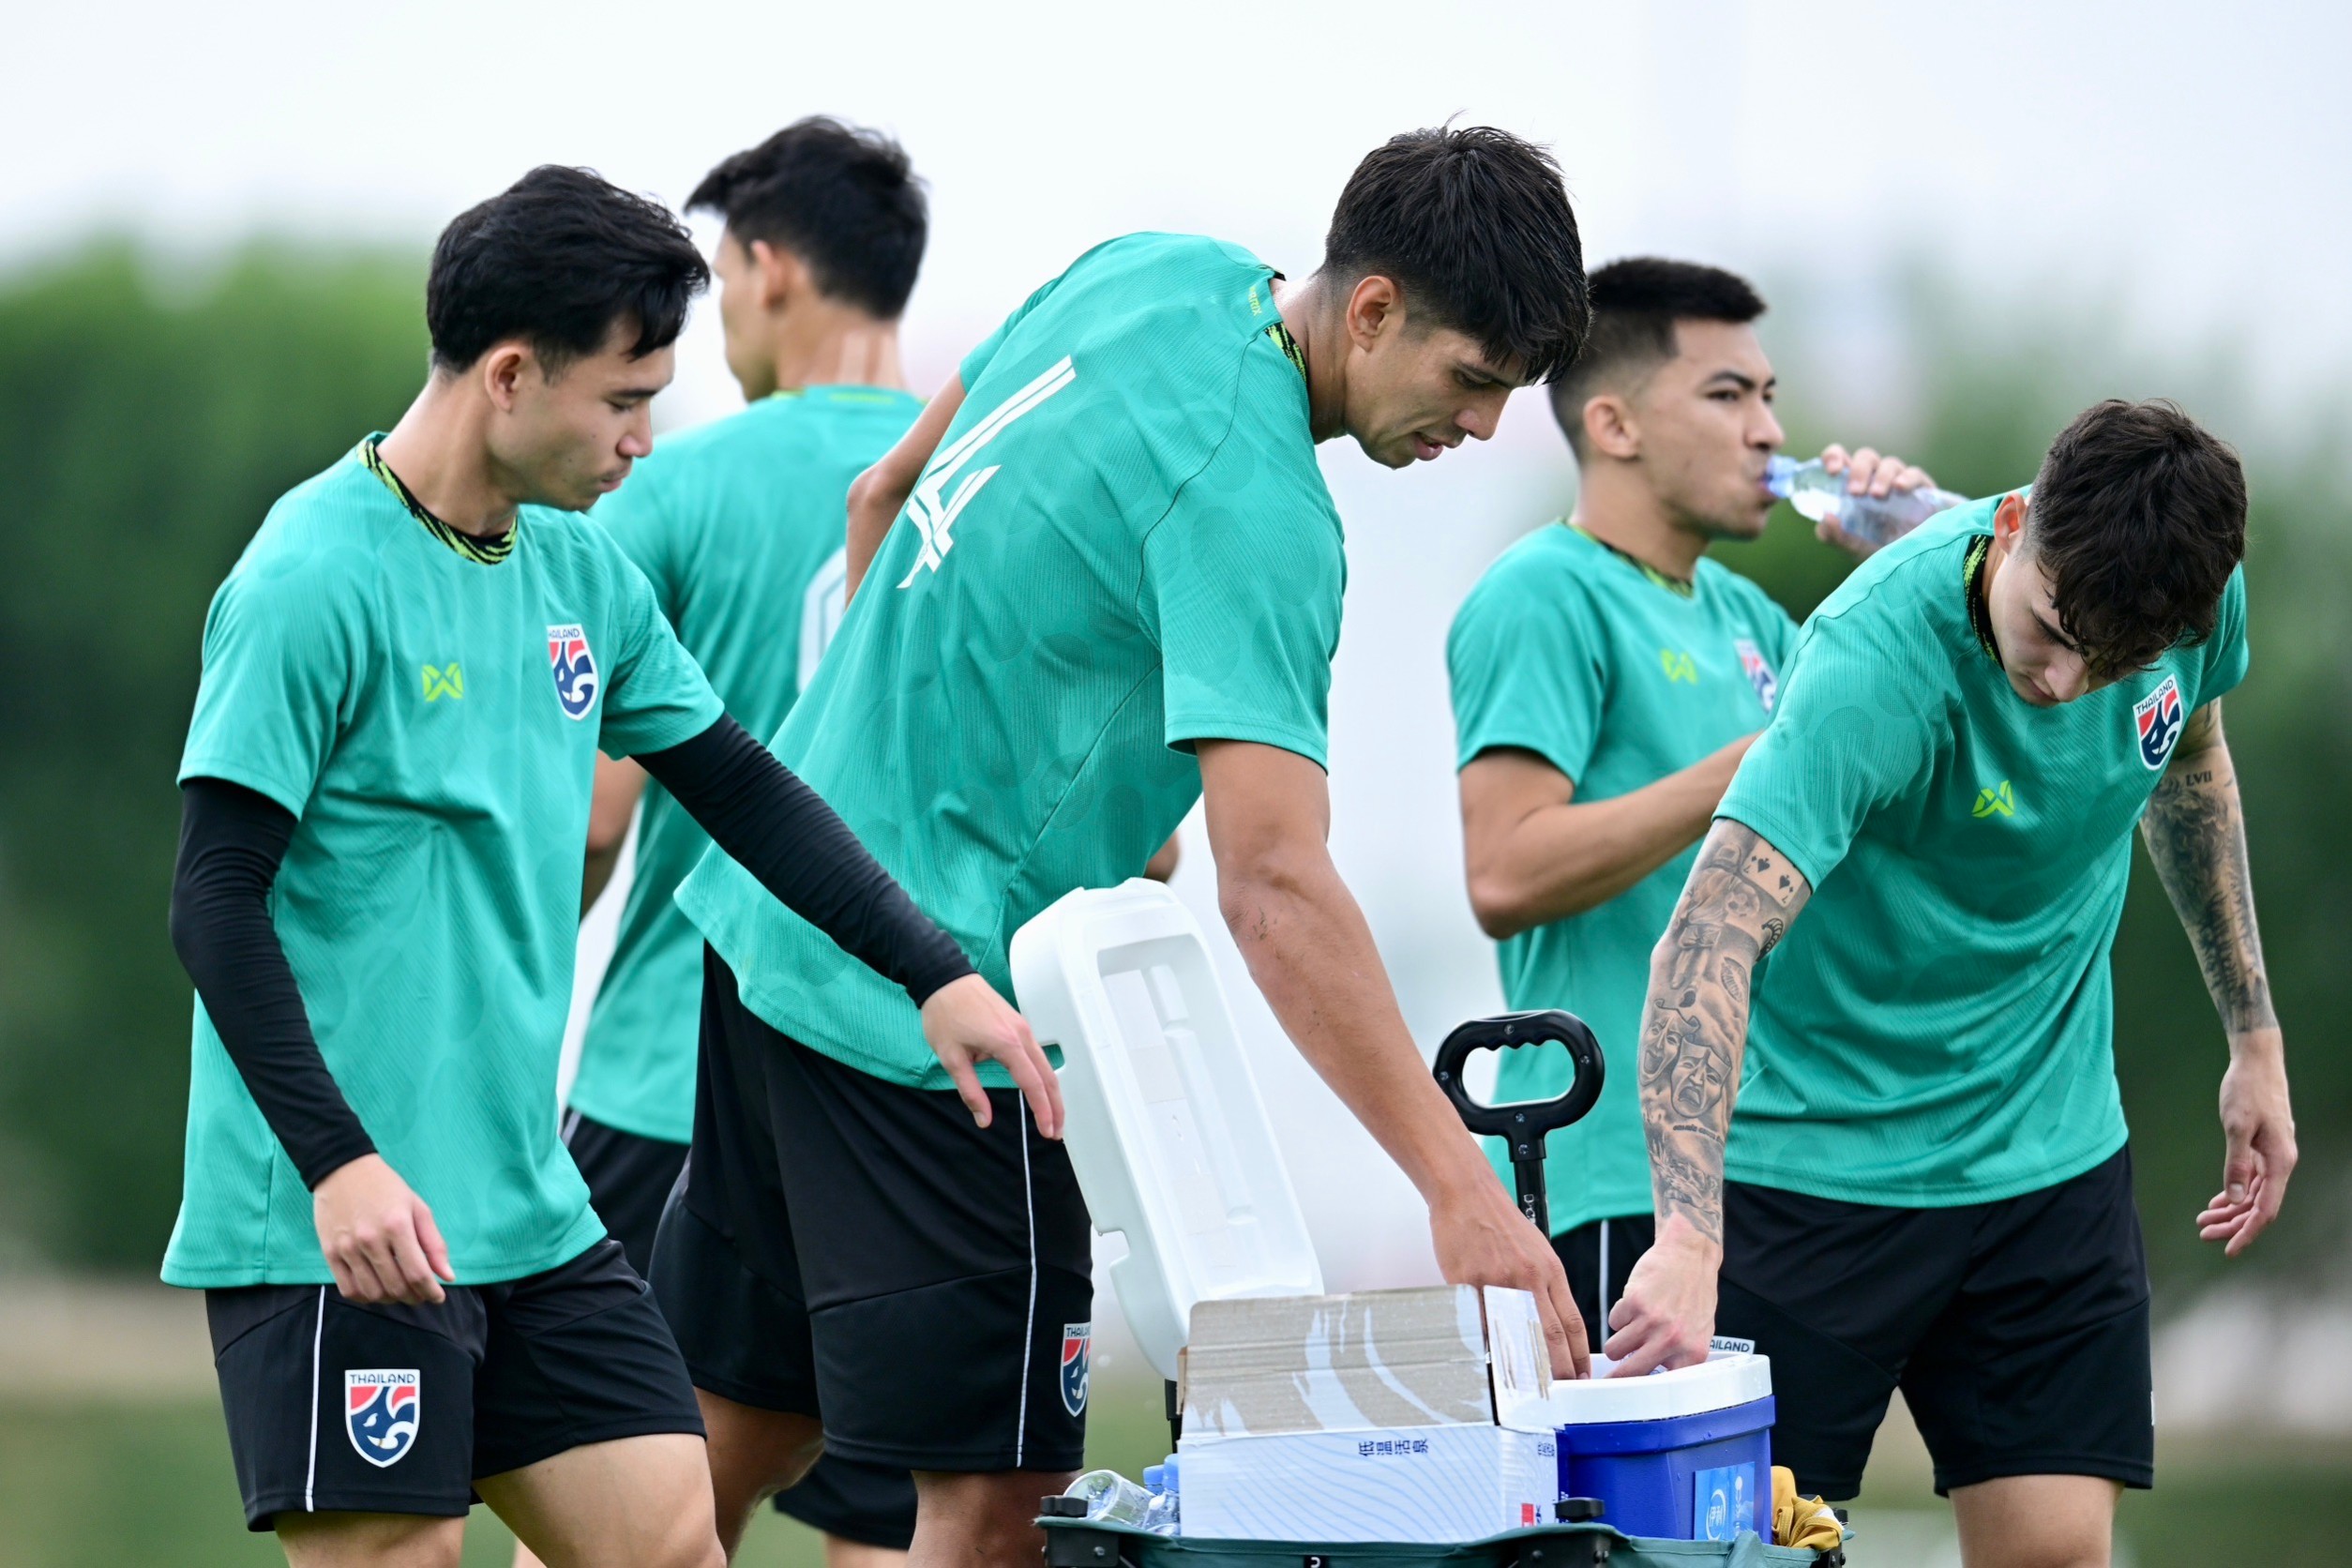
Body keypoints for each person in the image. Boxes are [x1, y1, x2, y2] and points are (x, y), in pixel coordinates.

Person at [654, 125, 1591, 1566]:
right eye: (1472, 380)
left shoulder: (1153, 270)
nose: (1478, 426)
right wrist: (1460, 1194)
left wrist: (969, 768)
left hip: (779, 918)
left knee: (720, 1444)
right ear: (1373, 309)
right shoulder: (1263, 510)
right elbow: (1273, 889)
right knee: (1001, 1504)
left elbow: (882, 495)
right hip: (940, 1015)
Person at [163, 165, 1050, 1568]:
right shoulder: (309, 576)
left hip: (528, 1214)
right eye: (624, 400)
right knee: (404, 1553)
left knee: (671, 1541)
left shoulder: (582, 575)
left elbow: (745, 790)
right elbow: (213, 903)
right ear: (512, 375)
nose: (645, 439)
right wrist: (338, 1165)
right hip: (339, 1216)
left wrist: (930, 971)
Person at [1605, 400, 2296, 1568]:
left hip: (2048, 1157)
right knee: (1749, 1555)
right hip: (1817, 1168)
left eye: (2112, 663)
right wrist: (1685, 1236)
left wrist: (2255, 1039)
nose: (2066, 683)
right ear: (2014, 523)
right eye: (2052, 630)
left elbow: (2191, 763)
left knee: (2056, 1554)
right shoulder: (1872, 659)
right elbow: (1707, 938)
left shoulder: (2188, 596)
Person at [546, 119, 937, 1568]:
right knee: (901, 1533)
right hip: (918, 1093)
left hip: (673, 1082)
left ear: (770, 270)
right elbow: (1143, 852)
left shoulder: (674, 488)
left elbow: (593, 820)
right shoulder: (984, 489)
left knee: (617, 1529)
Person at [1447, 257, 1931, 1349]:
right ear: (1614, 424)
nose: (1768, 431)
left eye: (1770, 397)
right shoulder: (1545, 591)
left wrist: (1917, 569)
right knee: (1647, 1472)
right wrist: (1762, 766)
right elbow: (1505, 871)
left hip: (1766, 1171)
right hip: (1614, 1175)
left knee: (1779, 1472)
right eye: (1727, 395)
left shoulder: (1752, 619)